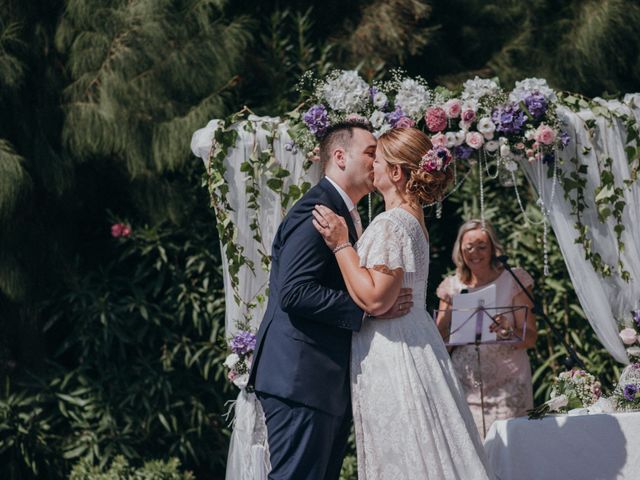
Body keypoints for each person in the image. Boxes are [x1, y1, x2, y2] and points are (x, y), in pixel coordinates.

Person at [312, 127, 492, 479]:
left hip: (395, 351)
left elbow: (375, 297)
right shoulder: (413, 220)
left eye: (376, 161)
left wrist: (340, 244)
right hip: (415, 338)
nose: (371, 167)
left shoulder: (391, 223)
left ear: (396, 172)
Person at [248, 119, 411, 480]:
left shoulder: (344, 215)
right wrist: (367, 309)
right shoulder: (317, 211)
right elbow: (295, 291)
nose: (377, 161)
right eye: (371, 153)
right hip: (302, 377)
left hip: (321, 380)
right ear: (340, 156)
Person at [435, 219, 537, 438]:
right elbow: (439, 342)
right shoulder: (452, 287)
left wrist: (509, 330)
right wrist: (452, 333)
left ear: (493, 248)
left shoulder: (513, 279)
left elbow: (530, 338)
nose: (475, 253)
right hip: (467, 386)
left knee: (509, 450)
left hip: (508, 386)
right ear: (460, 251)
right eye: (468, 247)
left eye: (482, 246)